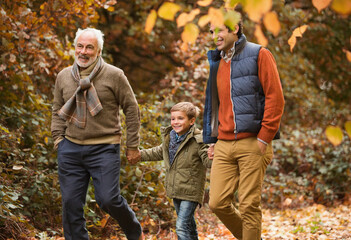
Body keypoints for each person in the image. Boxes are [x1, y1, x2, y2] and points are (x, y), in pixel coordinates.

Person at [51, 27, 143, 240]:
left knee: (108, 199)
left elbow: (131, 108)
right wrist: (58, 139)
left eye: (89, 47)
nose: (83, 51)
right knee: (71, 205)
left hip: (104, 148)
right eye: (80, 46)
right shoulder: (63, 76)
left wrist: (132, 145)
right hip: (70, 148)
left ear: (99, 51)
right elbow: (57, 108)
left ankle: (133, 231)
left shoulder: (114, 75)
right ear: (75, 48)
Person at [203, 20, 285, 240]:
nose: (215, 36)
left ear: (235, 28)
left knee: (249, 205)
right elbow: (213, 104)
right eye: (212, 32)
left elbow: (275, 98)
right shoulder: (216, 62)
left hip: (253, 141)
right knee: (217, 202)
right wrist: (211, 139)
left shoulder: (259, 54)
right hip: (223, 143)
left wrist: (264, 137)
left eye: (219, 30)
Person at [136, 102, 212, 240]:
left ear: (191, 121)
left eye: (180, 118)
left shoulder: (199, 139)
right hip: (175, 189)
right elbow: (158, 152)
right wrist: (139, 155)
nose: (175, 122)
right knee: (189, 224)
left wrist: (215, 153)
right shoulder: (170, 138)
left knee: (181, 226)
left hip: (191, 191)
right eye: (173, 118)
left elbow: (208, 160)